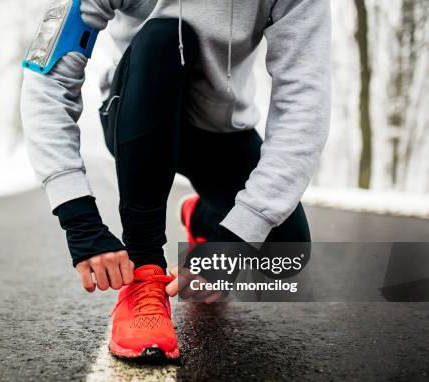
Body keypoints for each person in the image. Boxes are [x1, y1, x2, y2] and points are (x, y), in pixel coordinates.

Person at [21, 0, 330, 361]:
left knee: (285, 251)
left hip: (221, 133)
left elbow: (304, 100)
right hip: (137, 113)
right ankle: (144, 273)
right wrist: (78, 217)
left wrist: (238, 236)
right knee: (165, 35)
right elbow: (48, 79)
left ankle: (202, 217)